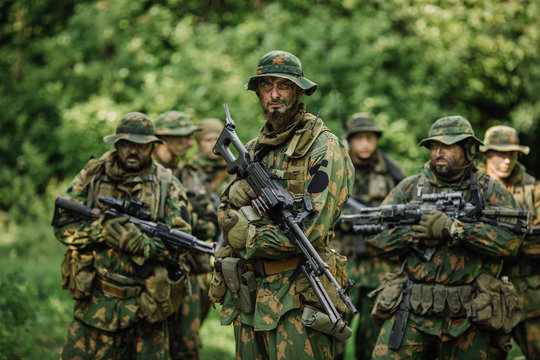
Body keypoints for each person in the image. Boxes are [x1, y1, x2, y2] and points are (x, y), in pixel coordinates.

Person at [208, 50, 355, 359]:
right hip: (249, 295)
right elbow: (224, 211)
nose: (274, 94)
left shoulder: (323, 147)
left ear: (298, 90)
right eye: (266, 86)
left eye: (283, 86)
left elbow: (310, 228)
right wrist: (238, 199)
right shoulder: (253, 148)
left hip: (296, 296)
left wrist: (245, 235)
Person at [366, 115, 524, 359]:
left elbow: (511, 242)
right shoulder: (410, 188)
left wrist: (456, 230)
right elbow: (374, 239)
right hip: (412, 309)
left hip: (471, 313)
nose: (439, 152)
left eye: (448, 146)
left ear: (469, 149)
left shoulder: (489, 190)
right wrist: (414, 235)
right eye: (434, 146)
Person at [54, 112, 192, 359]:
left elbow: (181, 244)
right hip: (96, 303)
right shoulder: (93, 175)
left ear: (151, 146)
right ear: (117, 144)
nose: (132, 151)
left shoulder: (167, 184)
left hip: (147, 309)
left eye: (140, 145)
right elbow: (63, 227)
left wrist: (142, 245)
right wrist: (101, 232)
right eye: (127, 144)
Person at [331, 113, 404, 360]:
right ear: (349, 141)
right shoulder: (336, 168)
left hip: (379, 270)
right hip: (341, 268)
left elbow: (405, 213)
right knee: (334, 333)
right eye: (359, 138)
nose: (364, 144)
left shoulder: (393, 173)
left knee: (372, 338)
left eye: (369, 138)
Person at [153, 111, 217, 360]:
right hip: (151, 271)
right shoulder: (146, 173)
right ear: (164, 138)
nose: (191, 143)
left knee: (187, 346)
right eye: (185, 137)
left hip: (188, 271)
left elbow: (211, 224)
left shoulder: (190, 175)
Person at [480, 125, 540, 360]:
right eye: (500, 153)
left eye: (512, 154)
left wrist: (498, 244)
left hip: (528, 292)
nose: (506, 160)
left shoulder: (533, 188)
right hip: (485, 294)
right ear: (486, 153)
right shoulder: (472, 186)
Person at [176, 117, 234, 323]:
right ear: (198, 143)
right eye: (207, 139)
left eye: (216, 138)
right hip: (194, 260)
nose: (213, 144)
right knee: (188, 324)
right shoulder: (186, 172)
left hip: (227, 259)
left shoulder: (234, 170)